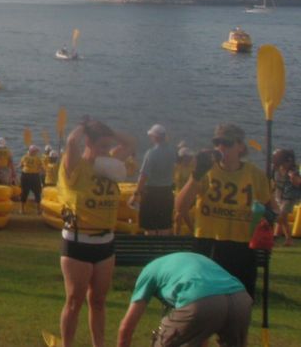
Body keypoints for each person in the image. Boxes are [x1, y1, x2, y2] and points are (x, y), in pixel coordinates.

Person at [58, 117, 135, 347]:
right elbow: (72, 142)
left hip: (105, 242)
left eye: (107, 146)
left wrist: (109, 130)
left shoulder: (110, 164)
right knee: (74, 301)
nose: (107, 151)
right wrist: (85, 126)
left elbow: (131, 143)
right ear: (89, 143)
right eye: (101, 146)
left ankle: (99, 344)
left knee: (99, 301)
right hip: (79, 240)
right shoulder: (76, 165)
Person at [175, 123, 274, 299]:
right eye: (217, 142)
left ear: (240, 147)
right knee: (203, 301)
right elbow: (180, 207)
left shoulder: (255, 174)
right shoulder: (206, 171)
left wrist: (268, 218)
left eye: (227, 143)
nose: (221, 147)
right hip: (209, 242)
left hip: (242, 246)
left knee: (241, 303)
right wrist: (196, 175)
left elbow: (271, 207)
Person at [117, 252, 252, 347]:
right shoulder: (192, 261)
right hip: (240, 299)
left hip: (199, 300)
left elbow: (127, 327)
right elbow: (202, 331)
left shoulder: (149, 272)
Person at [129, 123, 176, 235]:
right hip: (167, 191)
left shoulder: (151, 153)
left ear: (155, 137)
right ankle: (163, 248)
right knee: (164, 225)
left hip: (151, 193)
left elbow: (143, 176)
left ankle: (150, 249)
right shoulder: (172, 151)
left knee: (149, 226)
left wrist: (135, 194)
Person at [273, 149, 301, 246]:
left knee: (282, 216)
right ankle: (277, 235)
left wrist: (293, 178)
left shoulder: (293, 171)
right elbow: (275, 182)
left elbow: (298, 183)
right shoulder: (277, 169)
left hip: (289, 198)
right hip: (279, 196)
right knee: (281, 217)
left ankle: (287, 238)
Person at [19, 144, 44, 214]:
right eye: (36, 151)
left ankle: (22, 210)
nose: (37, 152)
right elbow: (41, 168)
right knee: (37, 193)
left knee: (24, 192)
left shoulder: (24, 157)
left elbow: (21, 166)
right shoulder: (38, 158)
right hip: (34, 176)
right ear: (33, 151)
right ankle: (38, 210)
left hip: (25, 176)